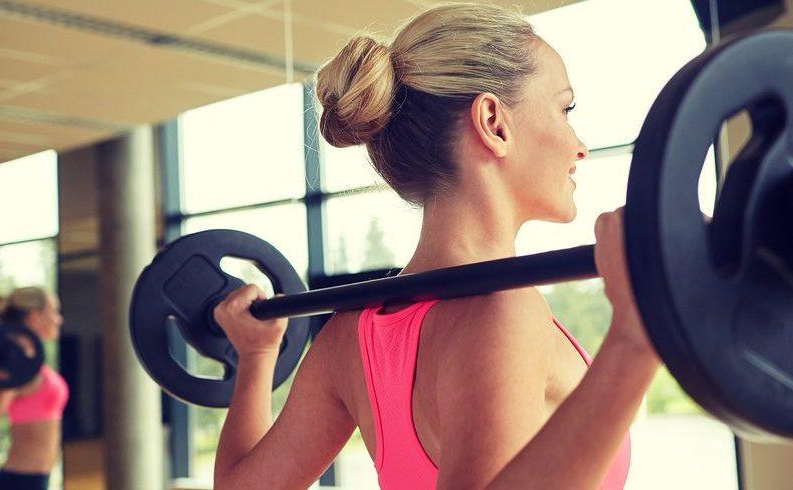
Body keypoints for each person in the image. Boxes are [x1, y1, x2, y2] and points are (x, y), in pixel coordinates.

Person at [213, 3, 659, 488]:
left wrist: (256, 356)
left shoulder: (349, 336)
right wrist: (634, 343)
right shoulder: (501, 312)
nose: (580, 145)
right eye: (564, 108)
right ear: (494, 122)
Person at [0, 286, 68, 490]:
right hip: (20, 481)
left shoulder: (29, 360)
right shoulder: (12, 359)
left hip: (35, 480)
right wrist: (8, 376)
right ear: (35, 316)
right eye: (54, 311)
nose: (58, 319)